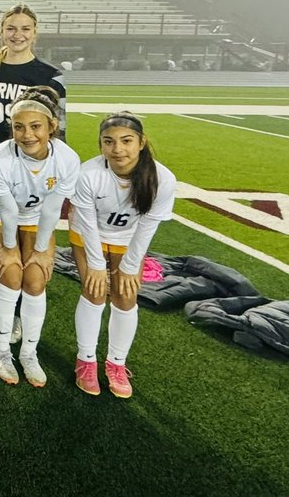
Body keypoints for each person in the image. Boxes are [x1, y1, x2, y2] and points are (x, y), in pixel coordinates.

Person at [0, 5, 67, 342]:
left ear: (35, 32)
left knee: (29, 245)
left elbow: (60, 128)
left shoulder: (49, 74)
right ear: (1, 31)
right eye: (11, 28)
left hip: (32, 170)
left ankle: (20, 310)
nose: (18, 35)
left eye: (25, 29)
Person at [70, 112, 175, 399]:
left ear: (141, 142)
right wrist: (95, 265)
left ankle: (116, 363)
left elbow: (147, 225)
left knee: (126, 296)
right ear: (101, 145)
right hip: (89, 234)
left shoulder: (162, 179)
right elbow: (87, 222)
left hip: (127, 239)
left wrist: (129, 266)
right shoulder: (88, 174)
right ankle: (86, 360)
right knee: (94, 291)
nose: (118, 149)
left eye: (126, 141)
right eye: (109, 142)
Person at [0, 87, 79, 386]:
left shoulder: (66, 158)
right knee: (11, 276)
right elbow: (7, 210)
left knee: (35, 279)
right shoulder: (0, 157)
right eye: (18, 127)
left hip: (39, 218)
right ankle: (1, 352)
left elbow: (53, 209)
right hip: (1, 216)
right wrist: (9, 248)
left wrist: (41, 251)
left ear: (52, 126)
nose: (27, 135)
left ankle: (28, 353)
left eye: (35, 126)